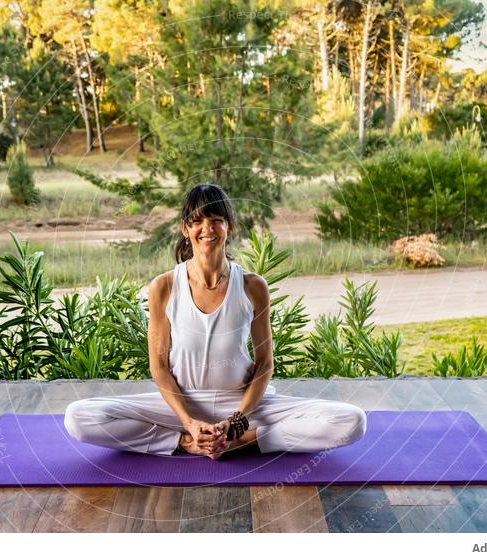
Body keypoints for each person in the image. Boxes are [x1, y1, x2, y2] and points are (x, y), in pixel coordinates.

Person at [64, 184, 366, 459]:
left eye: (215, 221)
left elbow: (265, 364)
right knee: (78, 417)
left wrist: (237, 422)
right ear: (185, 229)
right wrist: (188, 425)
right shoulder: (164, 287)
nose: (206, 229)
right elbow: (158, 365)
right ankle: (185, 443)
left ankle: (241, 441)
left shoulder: (252, 286)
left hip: (242, 406)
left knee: (351, 421)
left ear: (228, 226)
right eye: (196, 222)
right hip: (181, 404)